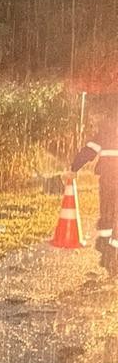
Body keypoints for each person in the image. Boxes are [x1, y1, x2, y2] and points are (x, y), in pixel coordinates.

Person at [64, 100, 118, 275]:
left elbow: (89, 151)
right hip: (111, 178)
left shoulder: (106, 130)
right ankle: (112, 252)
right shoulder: (107, 129)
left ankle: (106, 249)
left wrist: (74, 168)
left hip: (108, 179)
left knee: (107, 212)